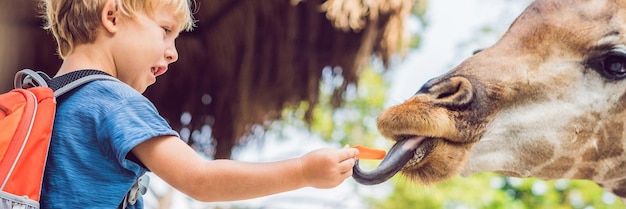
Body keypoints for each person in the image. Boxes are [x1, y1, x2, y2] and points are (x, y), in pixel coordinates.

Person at [38, 0, 360, 208]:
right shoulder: (115, 102)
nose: (173, 51)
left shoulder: (46, 103)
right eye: (165, 30)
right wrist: (303, 171)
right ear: (112, 17)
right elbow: (201, 180)